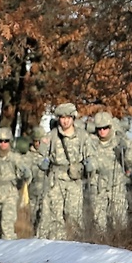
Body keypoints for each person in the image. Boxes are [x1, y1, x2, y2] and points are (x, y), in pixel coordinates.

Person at [37, 102, 95, 239]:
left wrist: (89, 166)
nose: (65, 121)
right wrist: (43, 162)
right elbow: (40, 156)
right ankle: (56, 249)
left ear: (73, 118)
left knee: (74, 216)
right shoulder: (51, 136)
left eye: (68, 117)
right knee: (54, 217)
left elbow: (91, 156)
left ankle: (75, 248)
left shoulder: (82, 136)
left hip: (75, 181)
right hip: (55, 180)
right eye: (62, 117)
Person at [88, 111, 132, 232]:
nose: (102, 131)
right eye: (99, 128)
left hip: (117, 185)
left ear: (110, 127)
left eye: (105, 128)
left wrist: (125, 152)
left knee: (120, 220)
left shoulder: (120, 141)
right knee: (99, 222)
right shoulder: (91, 142)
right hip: (99, 186)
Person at [24, 126, 49, 236]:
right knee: (34, 218)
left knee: (46, 218)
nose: (37, 144)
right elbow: (26, 174)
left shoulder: (49, 153)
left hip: (48, 192)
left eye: (39, 141)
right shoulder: (28, 156)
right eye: (35, 141)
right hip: (34, 192)